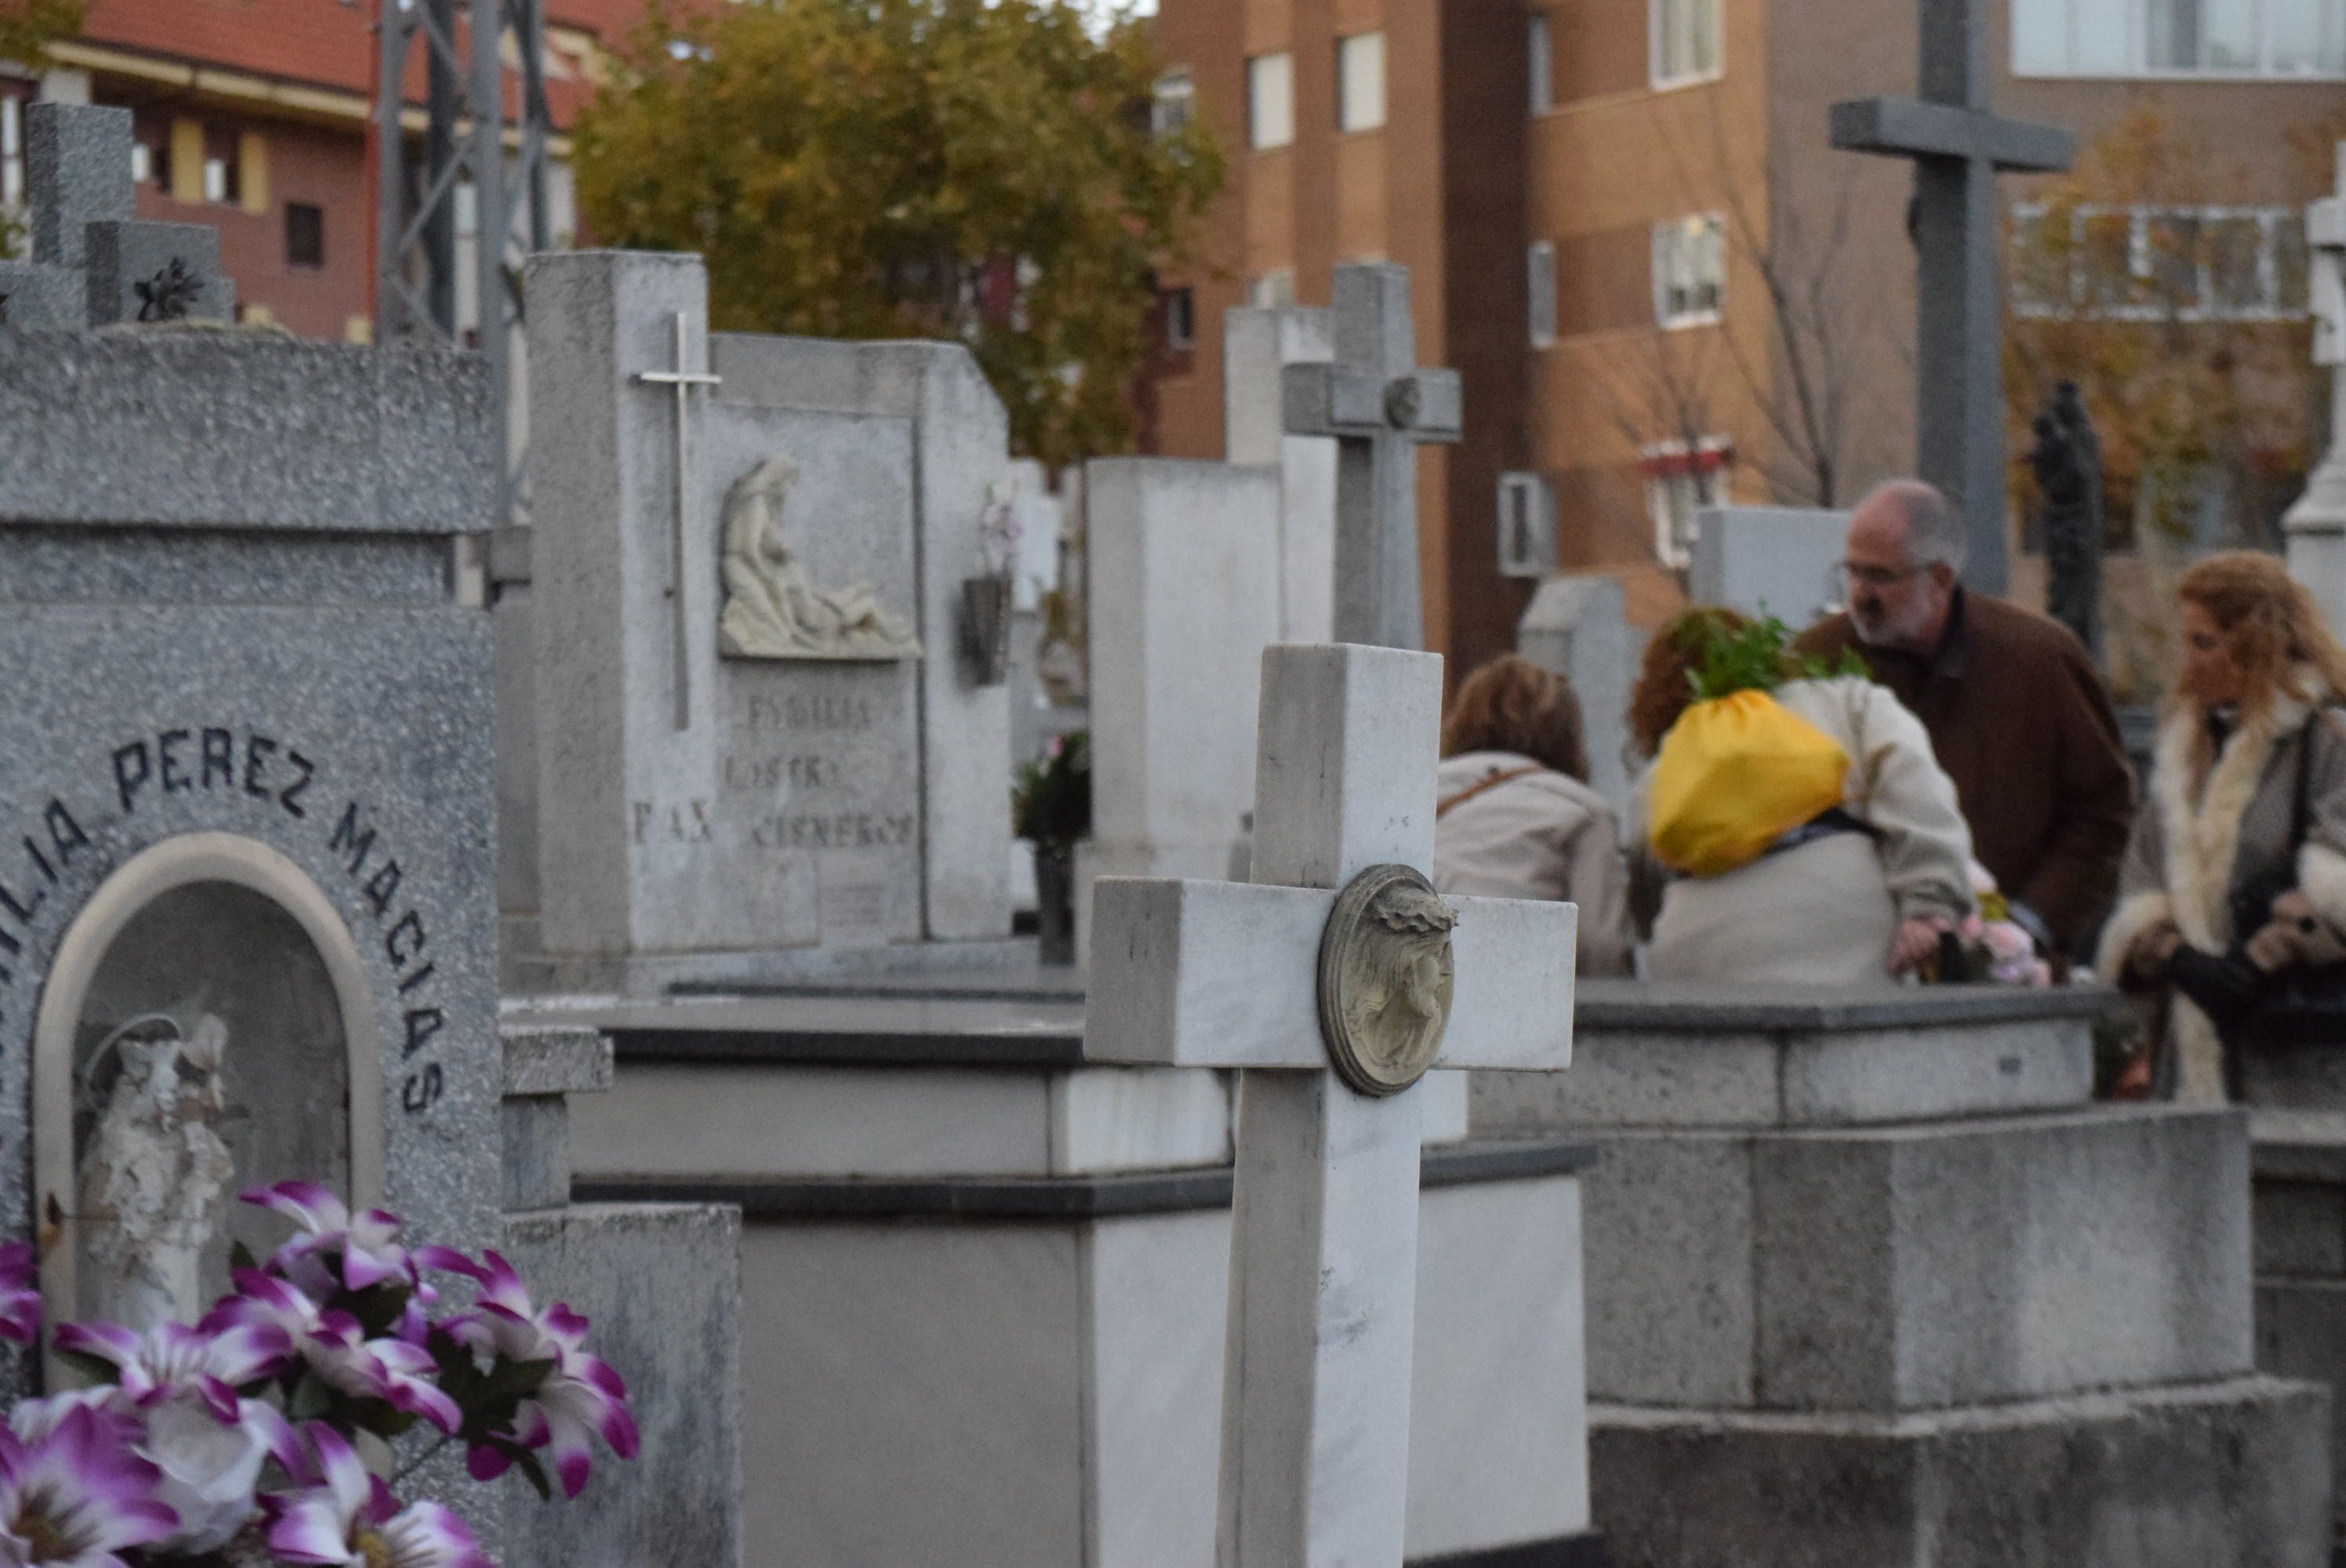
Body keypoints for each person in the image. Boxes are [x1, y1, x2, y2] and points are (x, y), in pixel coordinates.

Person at [1795, 480, 2134, 961]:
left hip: (2008, 971)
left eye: (1880, 576)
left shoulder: (2039, 661)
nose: (1860, 594)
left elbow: (2101, 814)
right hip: (1861, 961)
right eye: (1852, 571)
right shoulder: (1815, 660)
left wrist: (2027, 925)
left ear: (1939, 580)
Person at [2097, 554, 2346, 1103]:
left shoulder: (2326, 740)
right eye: (2186, 642)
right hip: (2186, 1056)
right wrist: (2174, 956)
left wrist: (2257, 962)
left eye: (2204, 643)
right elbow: (2143, 880)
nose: (2188, 663)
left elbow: (2337, 884)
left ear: (2255, 645)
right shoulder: (2182, 752)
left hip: (2299, 1054)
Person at [1630, 610, 1976, 985]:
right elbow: (1916, 787)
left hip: (1696, 952)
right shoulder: (1848, 702)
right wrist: (1928, 906)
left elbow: (1643, 879)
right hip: (1844, 932)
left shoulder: (1671, 757)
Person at [1433, 655, 1632, 976]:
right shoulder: (1583, 811)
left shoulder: (1423, 797)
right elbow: (1599, 946)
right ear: (1568, 734)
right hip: (1516, 983)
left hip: (1420, 984)